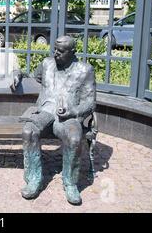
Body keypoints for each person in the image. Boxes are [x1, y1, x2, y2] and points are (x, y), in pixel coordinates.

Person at [11, 35, 96, 205]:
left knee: (74, 138)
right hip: (45, 111)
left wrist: (74, 111)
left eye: (61, 51)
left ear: (72, 52)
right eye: (55, 49)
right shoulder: (47, 64)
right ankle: (34, 179)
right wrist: (18, 73)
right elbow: (32, 76)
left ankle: (70, 183)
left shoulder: (85, 70)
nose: (56, 53)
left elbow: (90, 101)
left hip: (68, 116)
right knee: (29, 131)